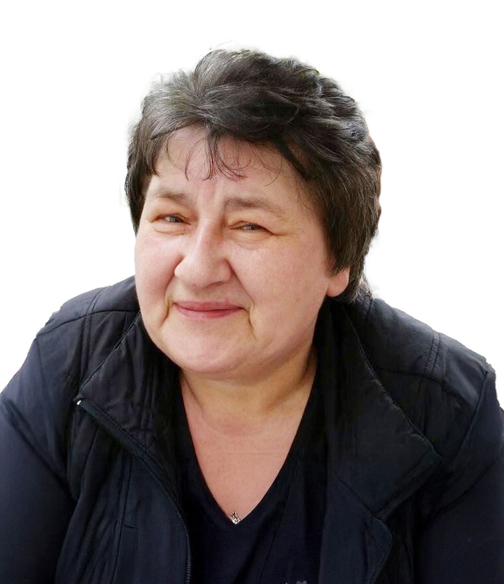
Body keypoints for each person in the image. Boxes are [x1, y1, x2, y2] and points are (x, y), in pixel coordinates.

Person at [0, 49, 502, 584]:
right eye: (172, 217)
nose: (197, 269)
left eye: (249, 227)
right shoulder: (69, 364)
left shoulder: (444, 410)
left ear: (340, 261)